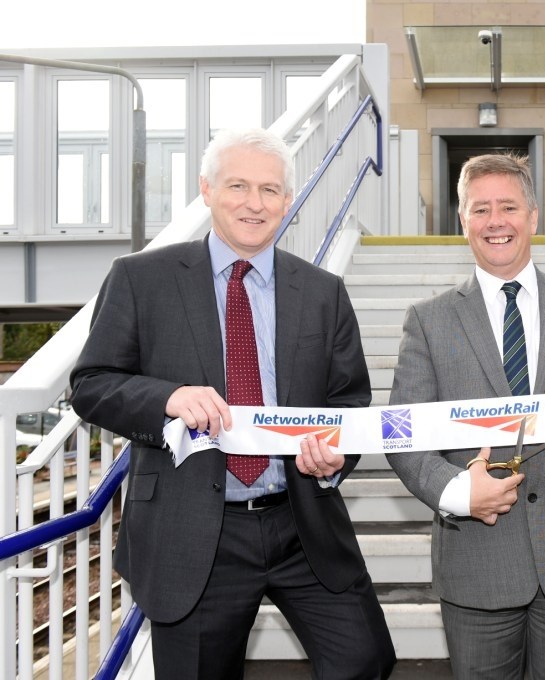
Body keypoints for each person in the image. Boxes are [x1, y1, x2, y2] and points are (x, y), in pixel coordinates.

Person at [70, 128, 396, 680]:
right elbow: (92, 384)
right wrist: (167, 397)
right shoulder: (141, 278)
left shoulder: (322, 291)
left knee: (364, 659)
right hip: (194, 530)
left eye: (270, 190)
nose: (254, 203)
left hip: (302, 523)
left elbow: (350, 401)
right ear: (206, 190)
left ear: (287, 201)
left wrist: (337, 457)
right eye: (238, 186)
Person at [386, 153, 545, 679]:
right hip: (476, 556)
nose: (495, 221)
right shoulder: (427, 321)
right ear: (463, 220)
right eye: (480, 209)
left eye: (508, 206)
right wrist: (458, 491)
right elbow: (401, 433)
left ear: (532, 215)